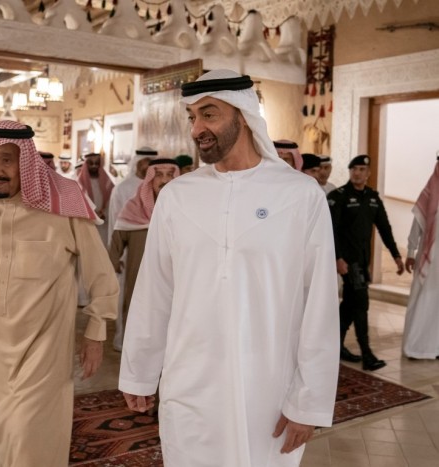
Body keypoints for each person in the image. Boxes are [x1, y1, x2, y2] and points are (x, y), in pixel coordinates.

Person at [119, 69, 340, 466]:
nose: (196, 129)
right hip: (189, 385)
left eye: (209, 114)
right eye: (192, 117)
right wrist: (139, 371)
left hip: (269, 391)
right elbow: (155, 291)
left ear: (244, 115)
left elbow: (319, 305)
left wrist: (308, 401)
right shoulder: (177, 196)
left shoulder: (300, 195)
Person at [0, 120, 119, 467]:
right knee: (4, 434)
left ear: (27, 161)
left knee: (29, 434)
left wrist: (95, 332)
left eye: (6, 159)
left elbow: (101, 272)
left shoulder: (64, 199)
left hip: (43, 348)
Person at [328, 154, 405, 371]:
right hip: (347, 261)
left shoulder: (372, 197)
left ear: (368, 173)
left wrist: (396, 255)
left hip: (363, 261)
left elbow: (384, 227)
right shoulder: (339, 196)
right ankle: (367, 354)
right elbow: (331, 230)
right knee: (361, 305)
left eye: (362, 170)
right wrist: (337, 258)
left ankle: (335, 346)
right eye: (354, 169)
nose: (357, 173)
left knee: (350, 305)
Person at [109, 158, 179, 350]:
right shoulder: (133, 209)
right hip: (138, 274)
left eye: (170, 175)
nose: (164, 180)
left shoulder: (183, 209)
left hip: (173, 276)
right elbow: (117, 239)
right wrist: (113, 262)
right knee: (137, 309)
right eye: (159, 175)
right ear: (150, 179)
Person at [402, 155, 439, 359]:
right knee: (422, 300)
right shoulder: (429, 193)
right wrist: (410, 251)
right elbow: (417, 225)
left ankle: (435, 347)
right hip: (429, 258)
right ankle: (415, 347)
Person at [76, 152, 115, 245]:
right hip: (87, 222)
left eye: (97, 163)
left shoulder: (108, 182)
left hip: (103, 222)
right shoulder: (79, 184)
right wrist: (92, 214)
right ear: (86, 164)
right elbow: (78, 204)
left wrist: (104, 213)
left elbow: (112, 201)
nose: (94, 166)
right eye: (91, 163)